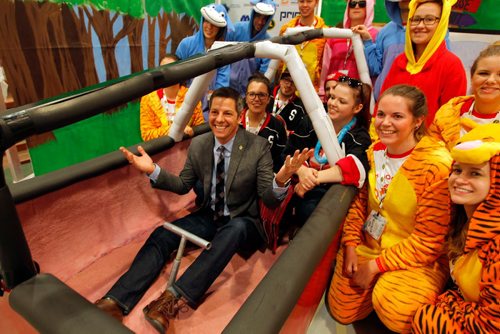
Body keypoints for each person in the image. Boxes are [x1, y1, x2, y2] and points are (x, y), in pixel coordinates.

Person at [94, 87, 311, 333]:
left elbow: (269, 199)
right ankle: (115, 301)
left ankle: (170, 300)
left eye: (227, 113)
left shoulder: (257, 147)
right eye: (215, 112)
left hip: (244, 221)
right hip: (211, 215)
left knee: (236, 229)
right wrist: (152, 169)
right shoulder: (199, 144)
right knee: (162, 234)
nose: (219, 119)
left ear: (239, 115)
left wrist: (281, 180)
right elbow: (182, 185)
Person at [327, 84, 452, 332]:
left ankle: (391, 286)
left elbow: (430, 241)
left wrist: (375, 267)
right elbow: (360, 203)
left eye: (397, 116)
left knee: (395, 309)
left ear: (417, 121)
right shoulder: (375, 152)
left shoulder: (436, 166)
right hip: (371, 243)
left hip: (418, 259)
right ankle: (378, 284)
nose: (385, 123)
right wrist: (351, 244)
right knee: (341, 309)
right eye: (381, 114)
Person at [412, 123, 500, 333]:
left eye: (475, 173)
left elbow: (492, 324)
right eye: (457, 170)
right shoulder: (460, 217)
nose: (460, 180)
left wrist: (445, 307)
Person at [283, 76, 371, 229]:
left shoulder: (359, 136)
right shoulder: (311, 121)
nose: (332, 104)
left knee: (309, 211)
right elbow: (288, 153)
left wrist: (312, 180)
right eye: (332, 97)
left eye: (342, 101)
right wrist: (302, 171)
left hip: (327, 192)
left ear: (357, 108)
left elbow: (355, 168)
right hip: (296, 180)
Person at [380, 0, 466, 125]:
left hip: (431, 142)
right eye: (415, 19)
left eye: (429, 19)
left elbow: (451, 118)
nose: (420, 25)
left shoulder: (451, 65)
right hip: (392, 139)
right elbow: (382, 105)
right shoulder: (399, 61)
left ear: (441, 23)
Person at [429, 43, 500, 150]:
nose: (490, 80)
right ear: (472, 77)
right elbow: (428, 155)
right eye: (483, 73)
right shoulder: (447, 114)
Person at [175, 3, 233, 119]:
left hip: (209, 111)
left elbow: (222, 85)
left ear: (221, 28)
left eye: (214, 24)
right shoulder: (186, 45)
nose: (209, 27)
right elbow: (176, 78)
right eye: (206, 21)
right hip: (183, 107)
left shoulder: (223, 51)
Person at [352, 0, 410, 101]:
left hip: (415, 103)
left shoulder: (430, 30)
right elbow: (375, 69)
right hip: (384, 100)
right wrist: (368, 41)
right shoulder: (385, 31)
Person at [319, 0, 378, 98]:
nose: (356, 7)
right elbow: (325, 67)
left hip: (359, 97)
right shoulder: (335, 35)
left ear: (369, 7)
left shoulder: (375, 36)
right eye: (352, 4)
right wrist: (322, 90)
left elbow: (376, 69)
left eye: (362, 4)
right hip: (333, 94)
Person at [140, 55, 204, 141]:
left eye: (171, 69)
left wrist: (191, 132)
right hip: (160, 151)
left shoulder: (192, 94)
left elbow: (200, 128)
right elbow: (146, 135)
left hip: (187, 149)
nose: (166, 74)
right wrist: (173, 129)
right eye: (162, 70)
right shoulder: (148, 99)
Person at [227, 0, 276, 96]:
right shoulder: (236, 29)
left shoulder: (268, 43)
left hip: (248, 94)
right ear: (253, 15)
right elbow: (222, 56)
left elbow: (264, 75)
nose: (260, 22)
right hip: (228, 88)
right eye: (258, 16)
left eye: (265, 19)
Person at [241, 73, 287, 172]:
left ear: (268, 99)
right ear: (246, 98)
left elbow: (279, 159)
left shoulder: (277, 127)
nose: (256, 99)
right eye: (252, 94)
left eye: (261, 95)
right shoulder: (235, 121)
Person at [279, 0, 327, 92]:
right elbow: (280, 64)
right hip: (287, 91)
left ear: (316, 3)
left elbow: (323, 66)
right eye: (302, 1)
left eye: (309, 1)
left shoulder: (323, 32)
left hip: (311, 92)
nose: (305, 5)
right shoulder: (286, 29)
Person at [270, 70, 306, 134]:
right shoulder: (267, 93)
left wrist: (286, 133)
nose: (289, 85)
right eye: (286, 80)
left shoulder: (300, 107)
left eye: (293, 82)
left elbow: (298, 134)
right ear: (280, 80)